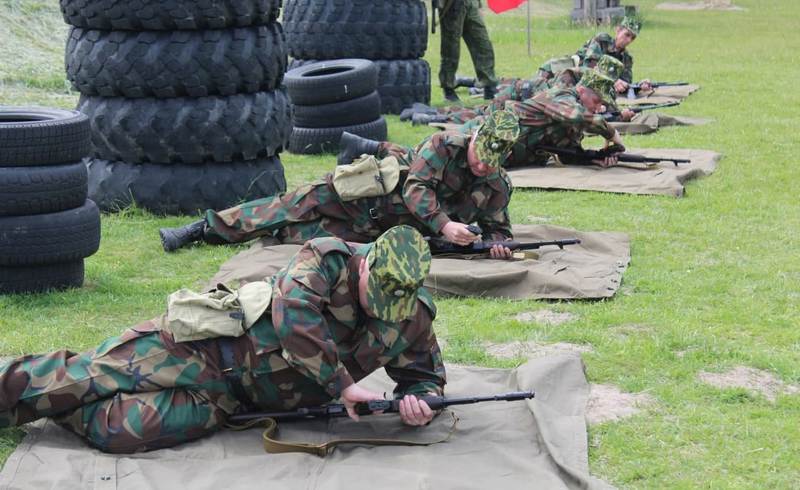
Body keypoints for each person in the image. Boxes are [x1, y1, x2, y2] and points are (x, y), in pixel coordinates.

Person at [0, 226, 446, 453]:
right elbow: (295, 319)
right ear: (367, 265)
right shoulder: (327, 259)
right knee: (80, 378)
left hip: (232, 402)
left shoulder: (412, 315)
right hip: (205, 346)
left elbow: (425, 376)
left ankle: (64, 407)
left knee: (120, 432)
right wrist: (343, 385)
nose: (384, 310)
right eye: (379, 295)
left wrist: (418, 403)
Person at [159, 110, 522, 259]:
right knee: (289, 204)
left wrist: (496, 246)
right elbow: (416, 189)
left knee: (306, 240)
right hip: (365, 192)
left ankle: (274, 236)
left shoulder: (497, 184)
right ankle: (203, 229)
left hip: (378, 232)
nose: (480, 163)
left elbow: (499, 230)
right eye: (479, 153)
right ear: (474, 137)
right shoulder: (444, 144)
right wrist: (445, 225)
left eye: (490, 161)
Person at [499, 55, 627, 168]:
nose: (599, 108)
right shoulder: (562, 95)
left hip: (503, 158)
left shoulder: (576, 121)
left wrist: (596, 158)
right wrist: (611, 133)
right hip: (489, 136)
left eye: (603, 104)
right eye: (596, 100)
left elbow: (568, 154)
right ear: (582, 90)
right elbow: (576, 115)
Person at [535, 16, 650, 98]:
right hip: (559, 69)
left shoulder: (627, 58)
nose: (629, 40)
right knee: (536, 92)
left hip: (576, 80)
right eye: (627, 34)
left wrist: (639, 86)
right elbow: (590, 66)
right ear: (618, 30)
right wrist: (614, 81)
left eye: (633, 38)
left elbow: (625, 83)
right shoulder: (602, 40)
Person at [438, 0, 498, 101]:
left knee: (483, 45)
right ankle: (448, 88)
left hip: (470, 3)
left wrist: (478, 4)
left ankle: (489, 86)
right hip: (452, 4)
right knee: (451, 49)